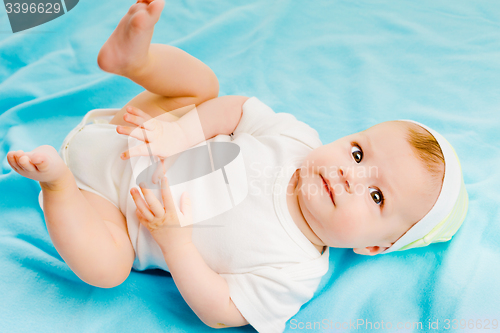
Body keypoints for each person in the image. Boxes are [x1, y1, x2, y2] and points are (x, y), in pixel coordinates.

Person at [6, 0, 468, 331]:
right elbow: (238, 109)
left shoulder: (294, 272)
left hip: (113, 212)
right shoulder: (296, 139)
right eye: (358, 152)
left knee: (107, 268)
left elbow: (221, 311)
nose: (352, 174)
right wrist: (179, 134)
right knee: (203, 88)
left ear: (375, 248)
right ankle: (137, 59)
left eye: (376, 195)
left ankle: (58, 187)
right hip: (138, 128)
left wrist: (175, 241)